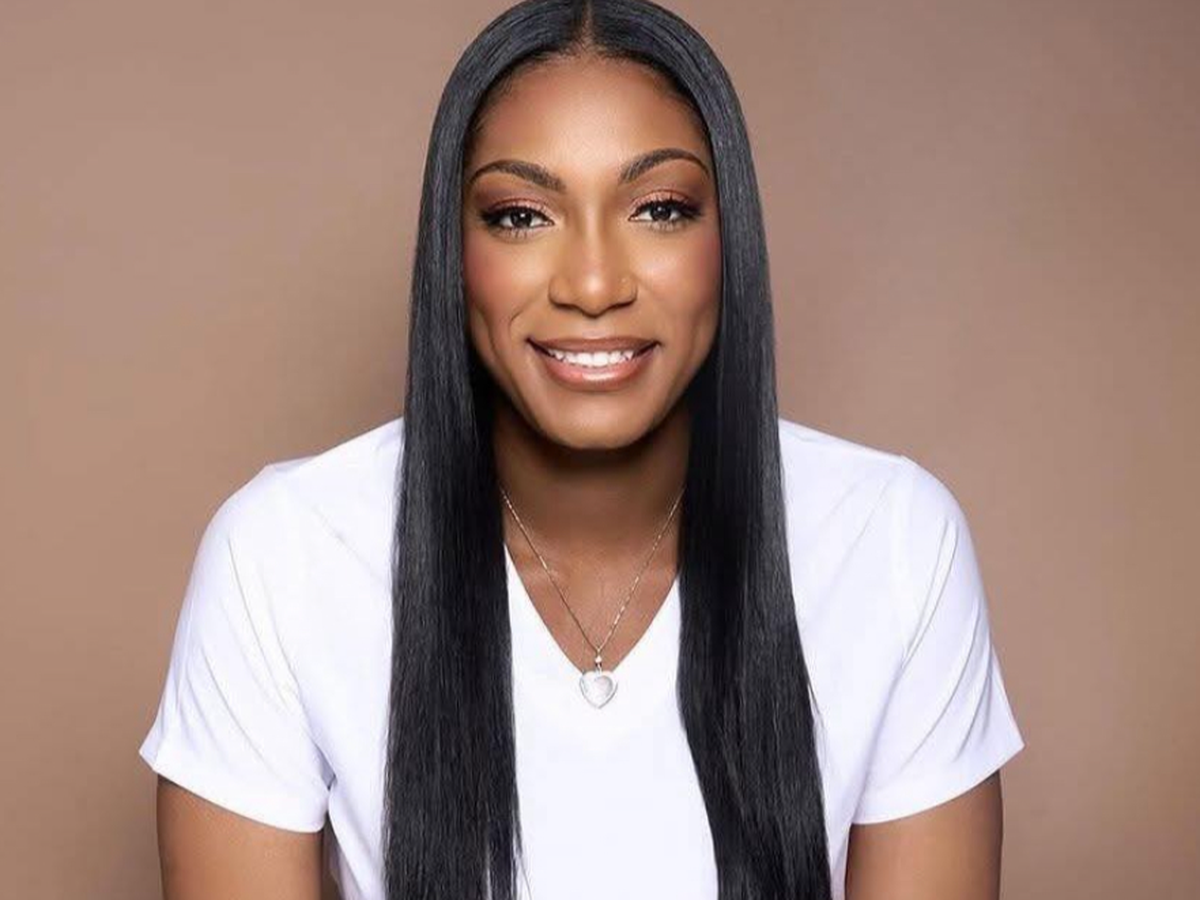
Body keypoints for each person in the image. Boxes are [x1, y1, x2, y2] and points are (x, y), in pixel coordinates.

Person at [138, 0, 1026, 898]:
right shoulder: (283, 557)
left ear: (729, 239)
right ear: (453, 249)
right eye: (523, 216)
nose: (594, 284)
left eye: (660, 209)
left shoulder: (893, 543)